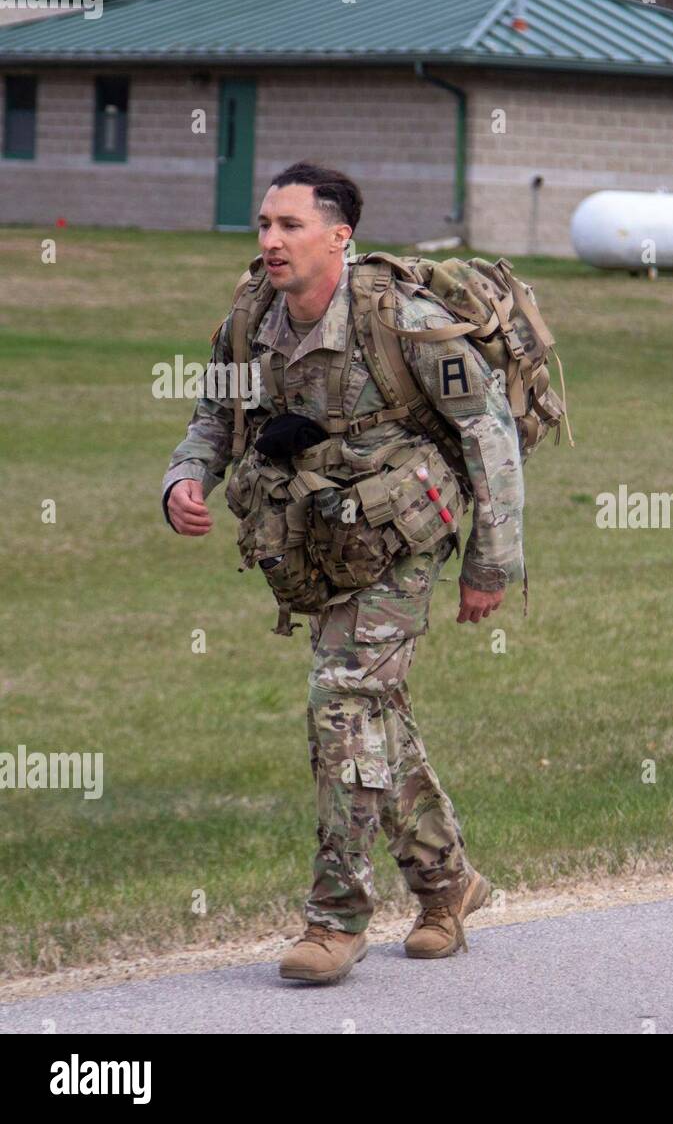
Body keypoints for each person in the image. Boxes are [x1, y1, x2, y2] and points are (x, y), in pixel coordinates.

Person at [162, 162, 525, 984]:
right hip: (316, 538)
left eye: (290, 226)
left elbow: (489, 435)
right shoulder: (251, 313)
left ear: (340, 235)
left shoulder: (404, 319)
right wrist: (184, 479)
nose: (270, 241)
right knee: (376, 715)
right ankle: (447, 885)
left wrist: (492, 563)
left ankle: (335, 921)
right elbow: (215, 414)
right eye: (263, 224)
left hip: (403, 538)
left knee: (342, 703)